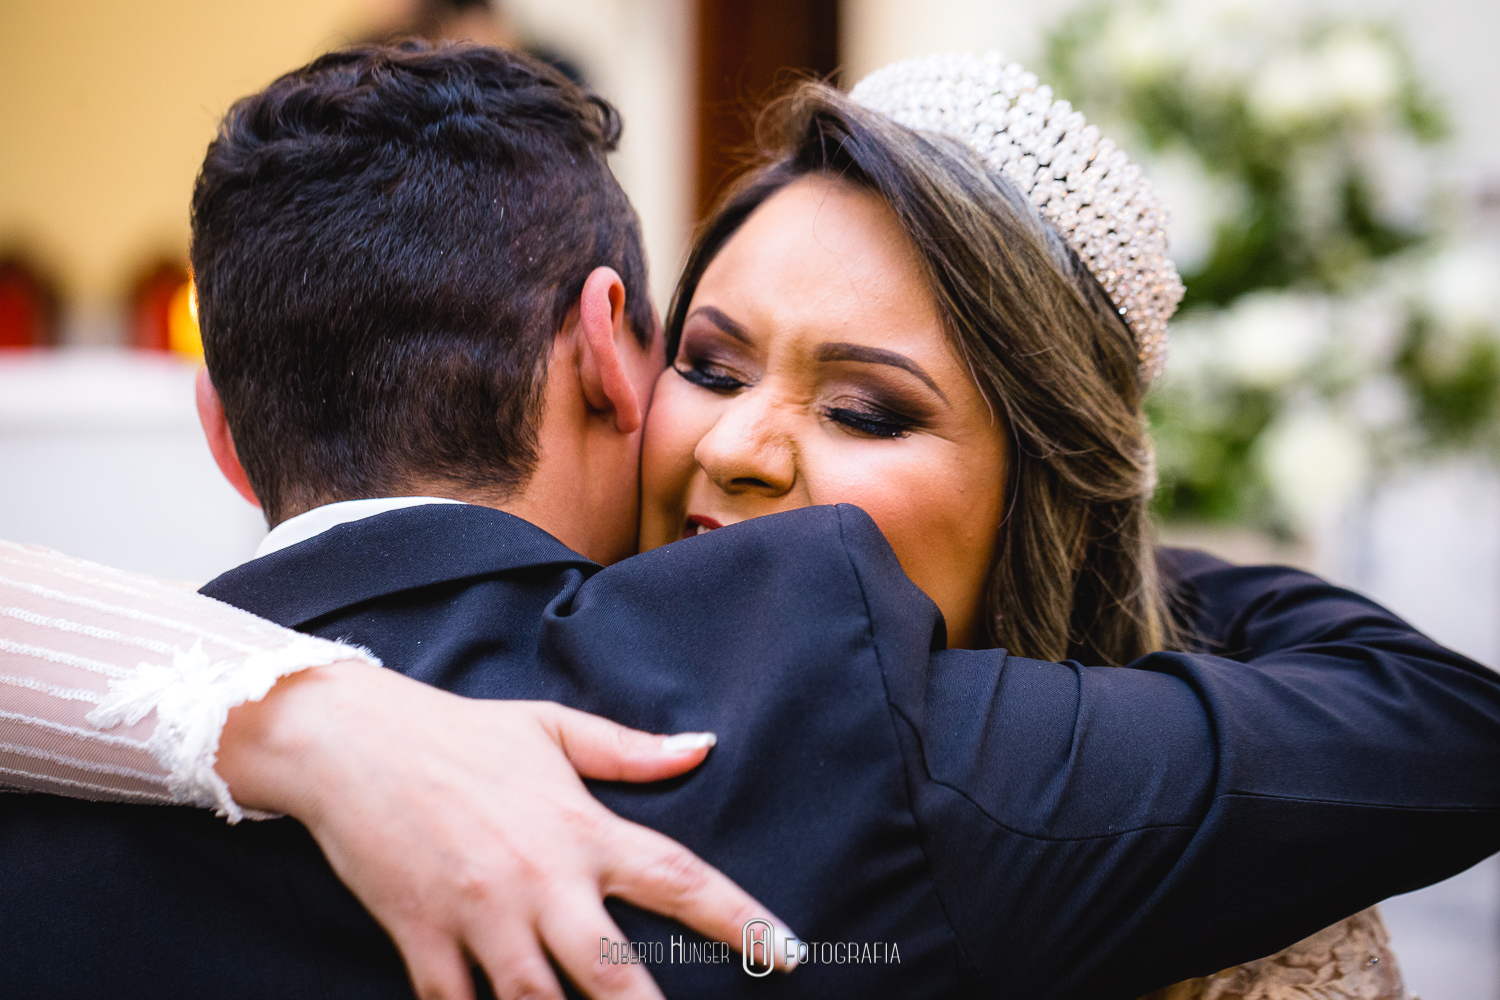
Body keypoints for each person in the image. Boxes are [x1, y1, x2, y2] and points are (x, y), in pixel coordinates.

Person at [1, 43, 1496, 1000]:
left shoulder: (73, 738)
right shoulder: (850, 732)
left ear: (218, 425)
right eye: (707, 366)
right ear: (614, 349)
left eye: (869, 410)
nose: (751, 451)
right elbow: (1439, 721)